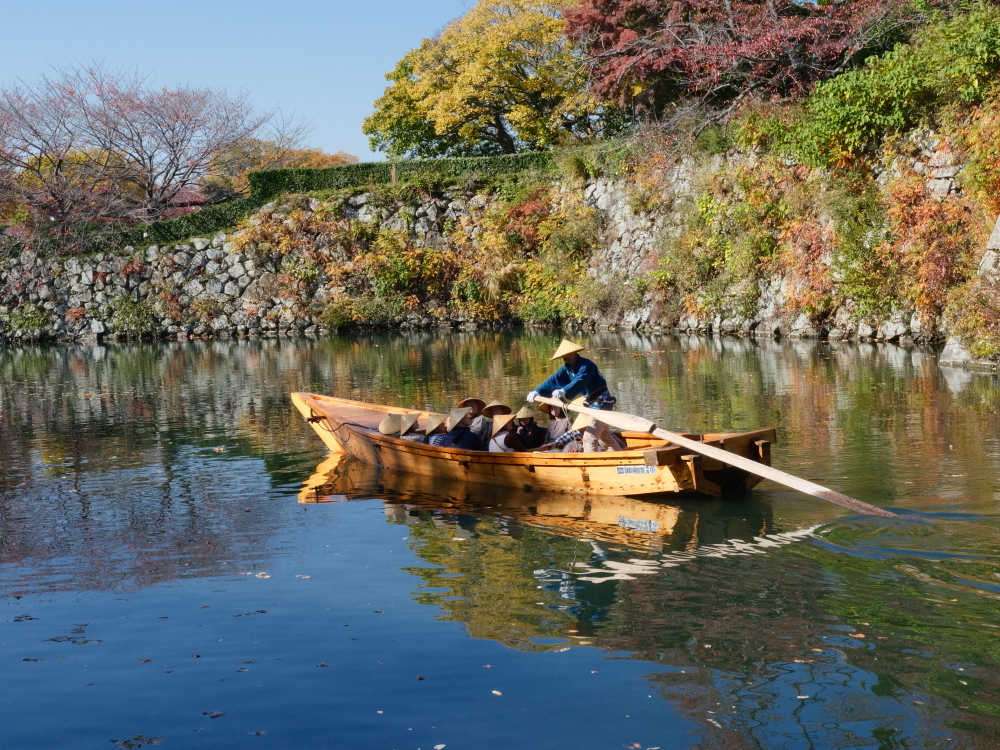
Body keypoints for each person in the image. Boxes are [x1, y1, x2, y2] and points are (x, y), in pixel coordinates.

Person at [526, 339, 624, 452]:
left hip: (601, 402)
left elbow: (580, 380)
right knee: (604, 437)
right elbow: (553, 379)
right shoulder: (567, 368)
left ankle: (590, 466)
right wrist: (537, 391)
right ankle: (621, 459)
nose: (565, 358)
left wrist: (564, 390)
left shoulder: (587, 365)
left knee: (589, 438)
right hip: (591, 404)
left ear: (573, 352)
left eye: (567, 355)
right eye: (563, 356)